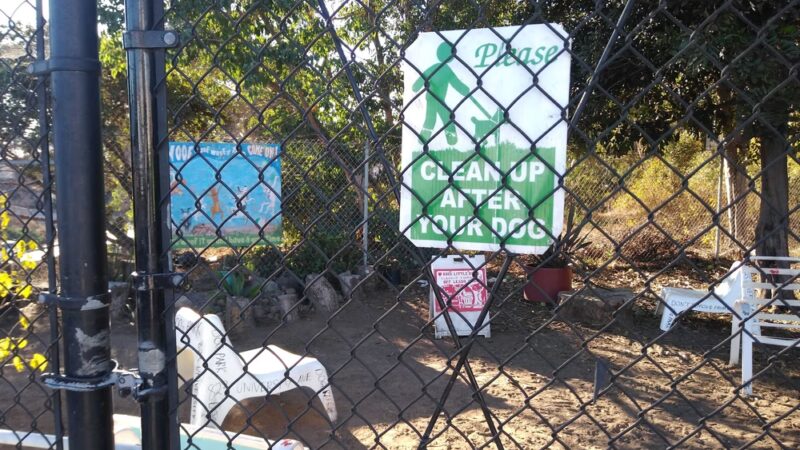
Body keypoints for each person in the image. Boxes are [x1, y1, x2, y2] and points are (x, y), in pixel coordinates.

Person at [412, 42, 472, 146]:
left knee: (433, 119)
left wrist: (416, 87)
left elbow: (419, 82)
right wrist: (465, 90)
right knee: (442, 118)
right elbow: (457, 84)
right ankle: (450, 140)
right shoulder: (446, 70)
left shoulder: (436, 68)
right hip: (435, 98)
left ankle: (424, 139)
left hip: (433, 99)